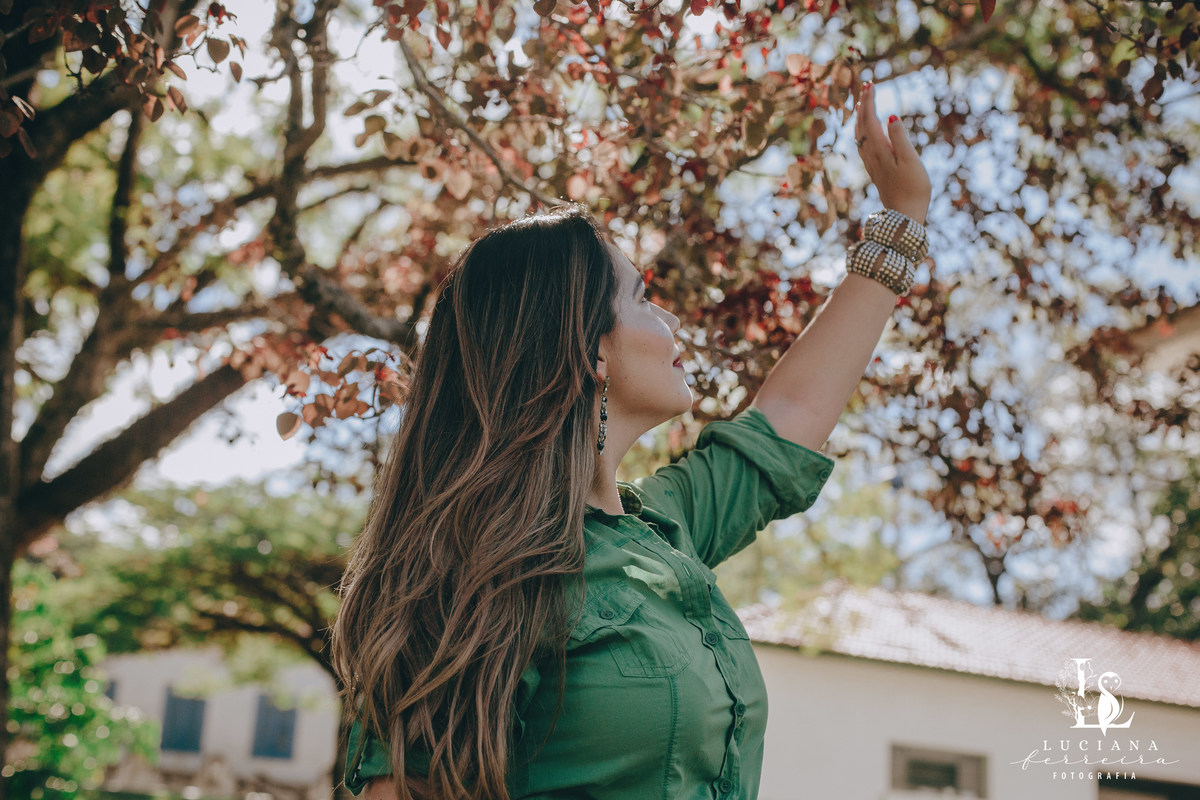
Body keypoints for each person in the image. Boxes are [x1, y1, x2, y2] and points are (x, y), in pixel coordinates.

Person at [330, 81, 931, 800]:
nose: (668, 319)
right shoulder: (470, 575)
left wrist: (902, 219)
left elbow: (792, 414)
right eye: (642, 296)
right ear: (589, 352)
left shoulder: (665, 531)